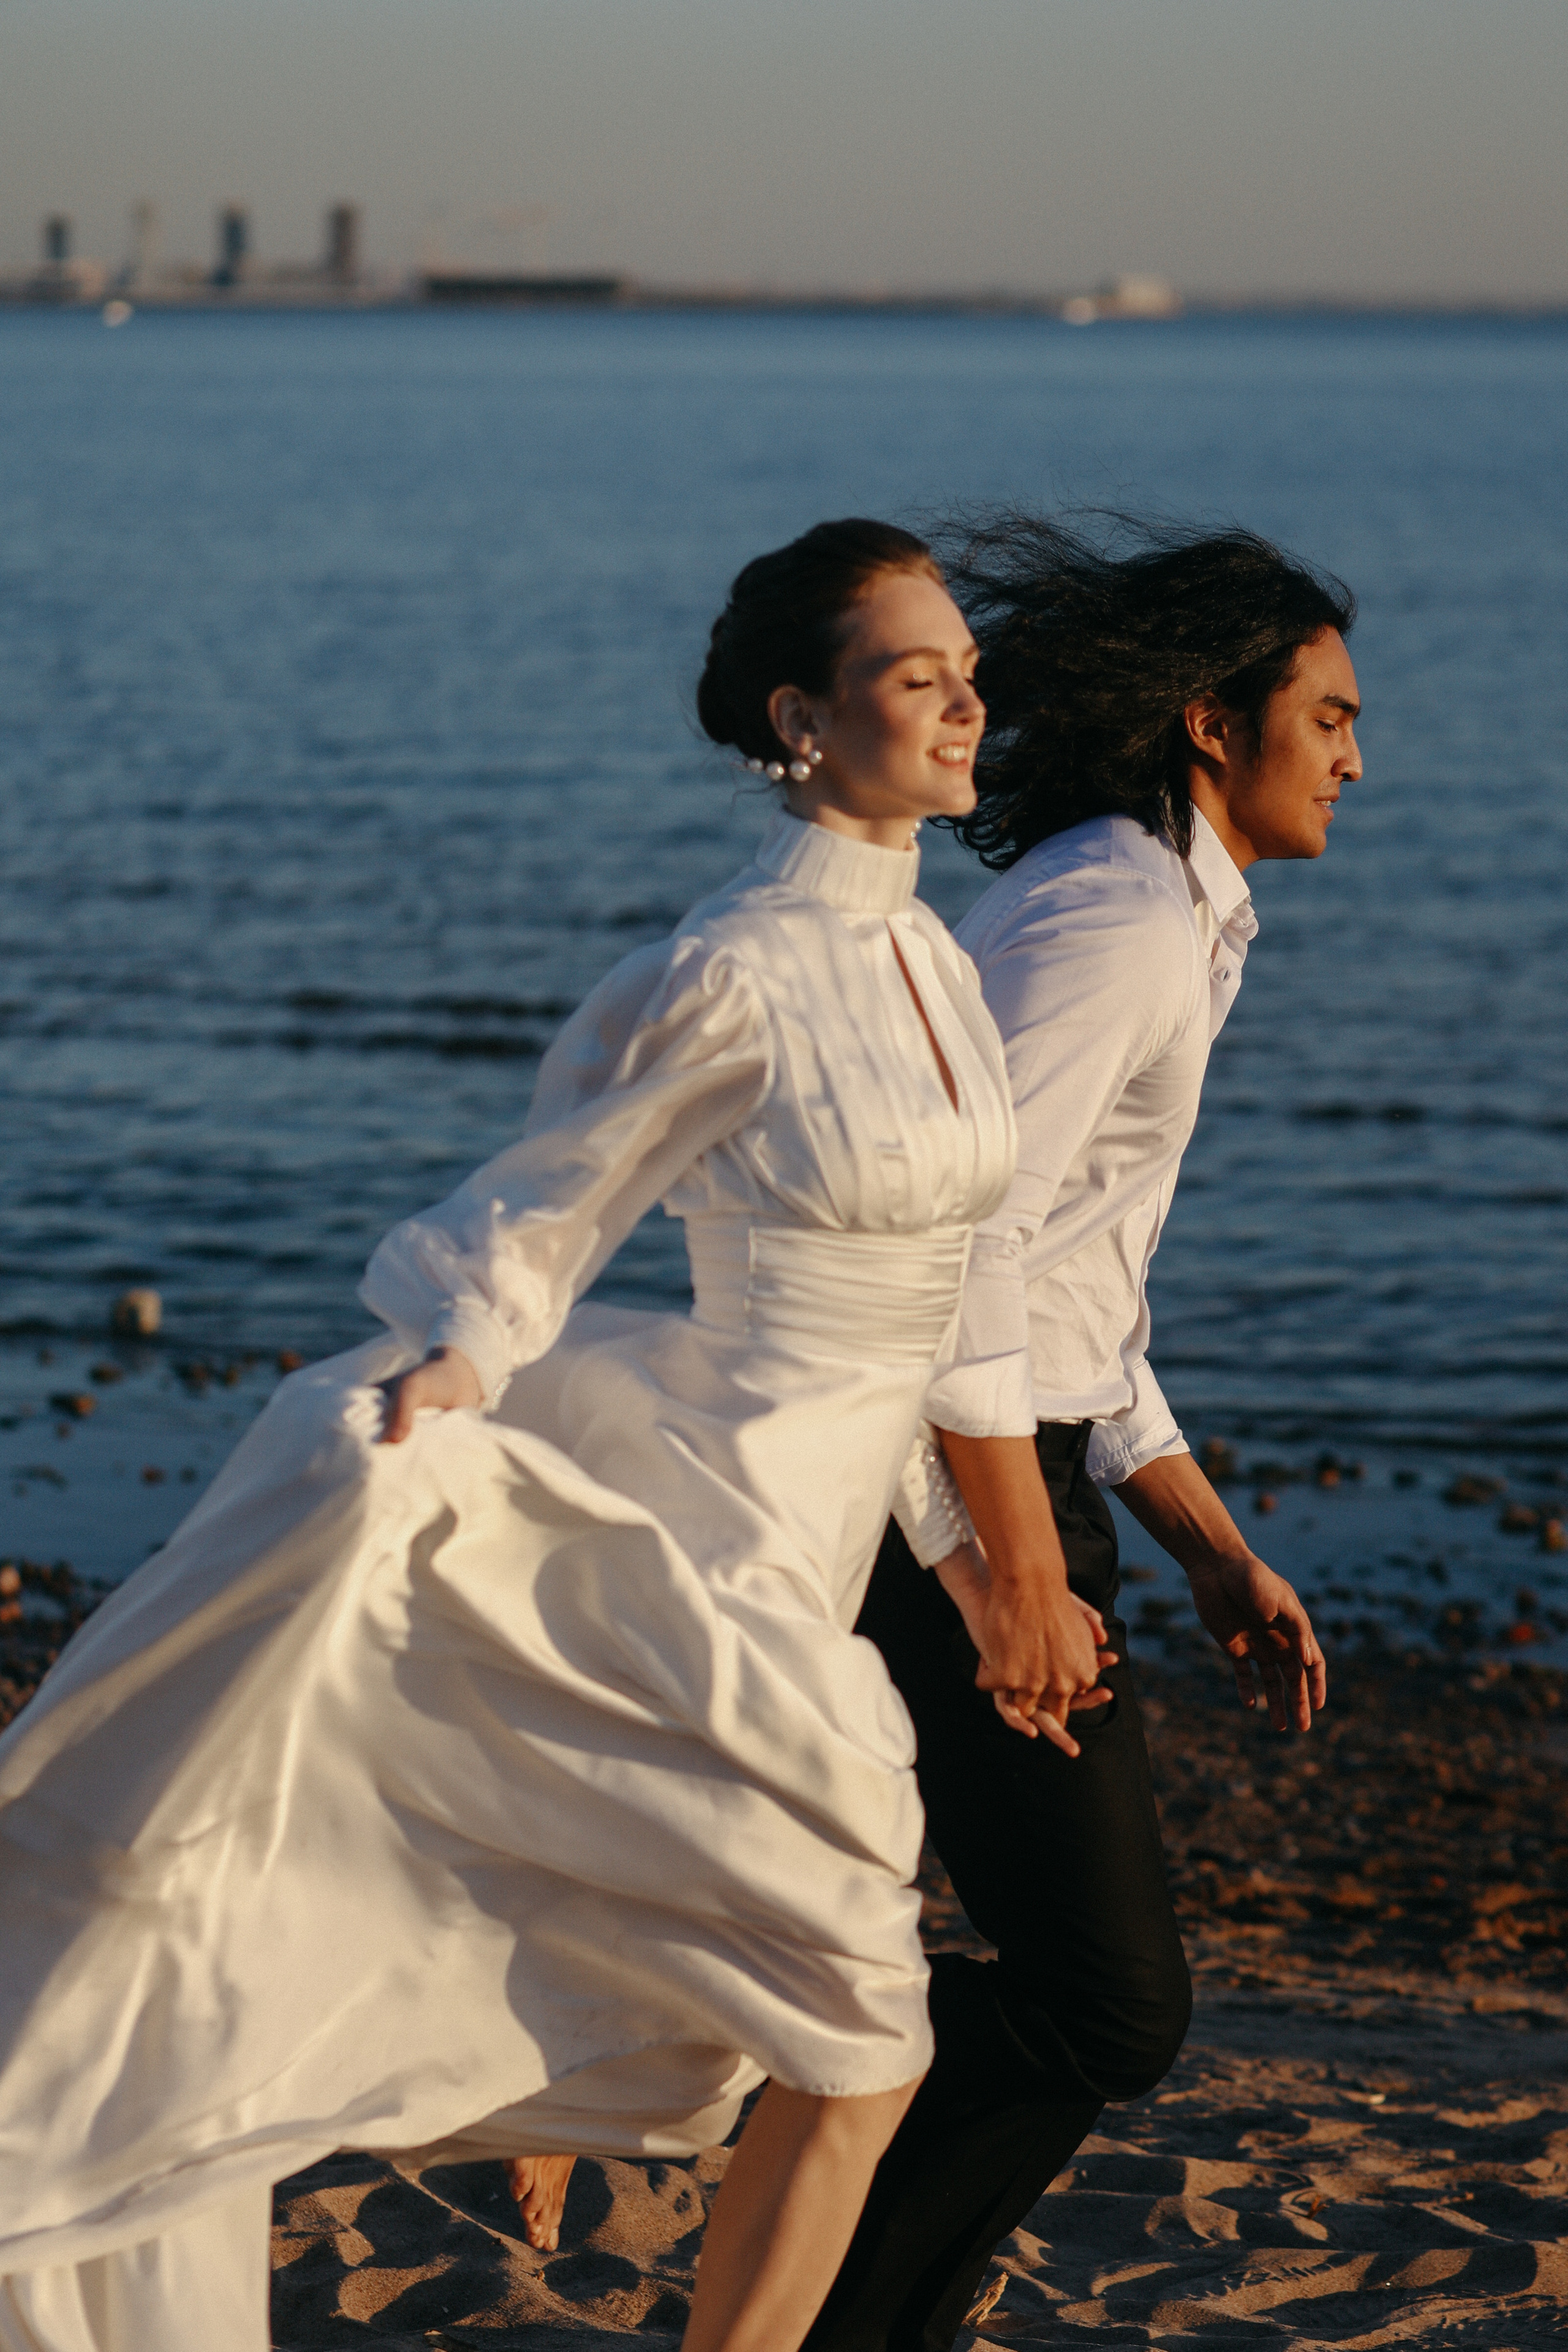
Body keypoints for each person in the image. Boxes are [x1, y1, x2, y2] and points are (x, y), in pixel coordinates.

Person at [0, 520, 1059, 2352]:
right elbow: (558, 1199)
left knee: (824, 2027)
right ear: (803, 720)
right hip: (710, 1543)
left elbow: (925, 1320)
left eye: (971, 675)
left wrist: (966, 1566)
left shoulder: (940, 964)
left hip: (824, 1550)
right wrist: (458, 1357)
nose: (968, 706)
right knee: (863, 2026)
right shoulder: (732, 969)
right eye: (919, 678)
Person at [804, 518, 1360, 2352]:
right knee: (1107, 2001)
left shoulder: (1165, 916)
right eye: (1330, 717)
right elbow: (957, 1251)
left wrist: (1213, 1549)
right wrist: (1014, 1574)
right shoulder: (1118, 921)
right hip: (953, 1500)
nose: (1356, 759)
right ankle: (792, 2163)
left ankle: (842, 2262)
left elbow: (1080, 1298)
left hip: (1012, 1478)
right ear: (1213, 721)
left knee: (1072, 1988)